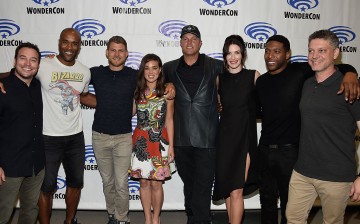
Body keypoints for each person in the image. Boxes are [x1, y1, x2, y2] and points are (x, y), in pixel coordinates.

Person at [255, 34, 359, 224]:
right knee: (277, 208)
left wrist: (352, 73)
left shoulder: (303, 73)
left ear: (287, 55)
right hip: (280, 157)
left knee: (318, 217)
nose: (270, 55)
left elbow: (337, 67)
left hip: (297, 155)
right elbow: (256, 109)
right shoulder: (266, 82)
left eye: (276, 51)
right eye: (311, 50)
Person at [80, 36, 175, 224]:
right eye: (113, 50)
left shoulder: (152, 85)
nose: (116, 54)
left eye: (121, 50)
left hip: (144, 140)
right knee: (124, 182)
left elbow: (169, 117)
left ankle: (140, 219)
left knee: (140, 183)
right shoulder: (103, 75)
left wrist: (171, 85)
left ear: (126, 54)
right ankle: (127, 216)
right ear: (107, 52)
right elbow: (77, 81)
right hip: (124, 138)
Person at [286, 29, 360, 224]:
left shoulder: (350, 87)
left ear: (335, 54)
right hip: (303, 171)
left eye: (321, 51)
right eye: (311, 51)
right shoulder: (307, 84)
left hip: (336, 175)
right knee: (292, 218)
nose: (314, 56)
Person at [163, 25, 223, 224]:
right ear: (180, 42)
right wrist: (166, 85)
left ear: (200, 43)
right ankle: (193, 214)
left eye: (193, 38)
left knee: (204, 184)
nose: (189, 42)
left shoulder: (215, 65)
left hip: (207, 137)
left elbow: (229, 88)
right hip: (181, 138)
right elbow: (153, 88)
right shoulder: (169, 68)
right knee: (189, 183)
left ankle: (200, 219)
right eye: (185, 38)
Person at [35, 28, 91, 224]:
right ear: (59, 42)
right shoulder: (43, 65)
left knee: (76, 183)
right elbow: (19, 75)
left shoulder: (84, 71)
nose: (69, 47)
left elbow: (83, 96)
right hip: (48, 137)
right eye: (66, 42)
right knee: (47, 186)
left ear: (79, 46)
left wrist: (112, 104)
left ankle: (69, 221)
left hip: (75, 137)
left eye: (74, 43)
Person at [212, 35, 260, 224]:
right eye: (229, 53)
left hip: (245, 139)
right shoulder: (219, 80)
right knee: (227, 189)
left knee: (237, 190)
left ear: (243, 54)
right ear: (225, 56)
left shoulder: (254, 76)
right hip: (224, 139)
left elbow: (266, 104)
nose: (233, 57)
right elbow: (218, 106)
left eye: (237, 53)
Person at [0, 42, 45, 224]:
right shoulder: (3, 89)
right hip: (8, 166)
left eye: (33, 60)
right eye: (23, 58)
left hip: (36, 164)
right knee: (3, 212)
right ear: (14, 60)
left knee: (30, 211)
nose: (28, 64)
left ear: (38, 65)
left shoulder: (37, 86)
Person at [129, 54, 175, 224]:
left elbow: (169, 120)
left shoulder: (167, 92)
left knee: (156, 184)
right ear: (142, 70)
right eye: (147, 68)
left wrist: (171, 146)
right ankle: (147, 218)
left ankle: (156, 218)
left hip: (159, 141)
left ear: (160, 70)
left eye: (154, 68)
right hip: (140, 140)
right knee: (143, 183)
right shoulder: (137, 91)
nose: (150, 72)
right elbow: (129, 113)